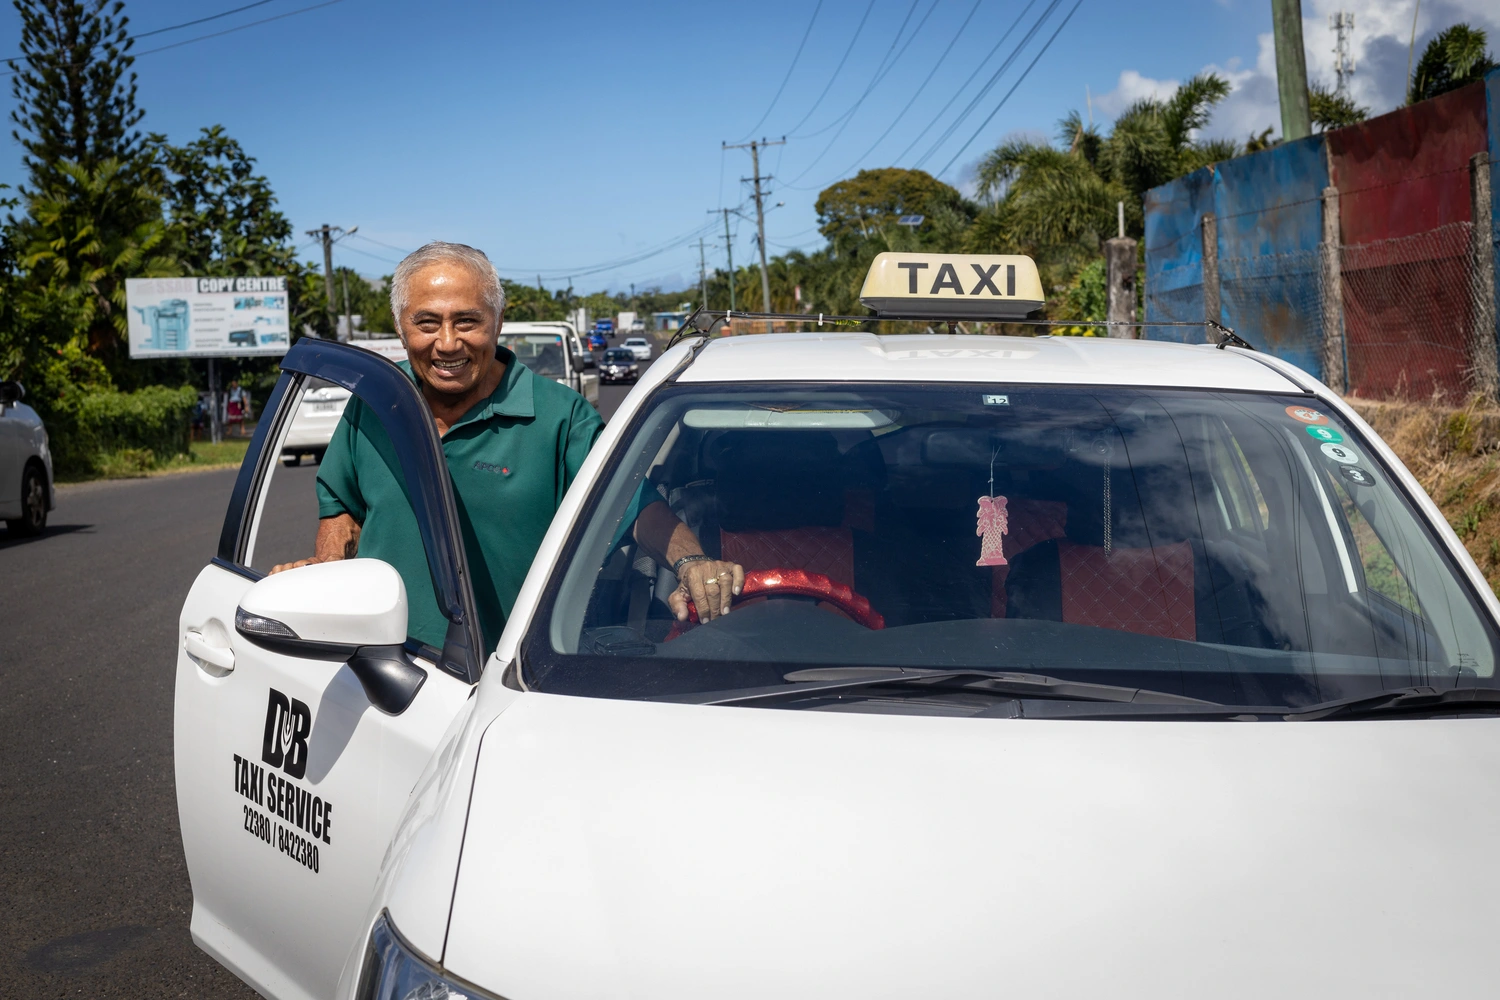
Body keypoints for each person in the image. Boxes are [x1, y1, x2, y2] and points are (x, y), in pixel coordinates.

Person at [270, 241, 740, 651]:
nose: (447, 344)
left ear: (498, 321)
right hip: (381, 666)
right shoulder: (374, 406)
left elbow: (634, 506)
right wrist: (325, 567)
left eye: (467, 321)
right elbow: (342, 510)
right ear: (400, 326)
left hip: (501, 679)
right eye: (427, 323)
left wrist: (691, 562)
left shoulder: (559, 417)